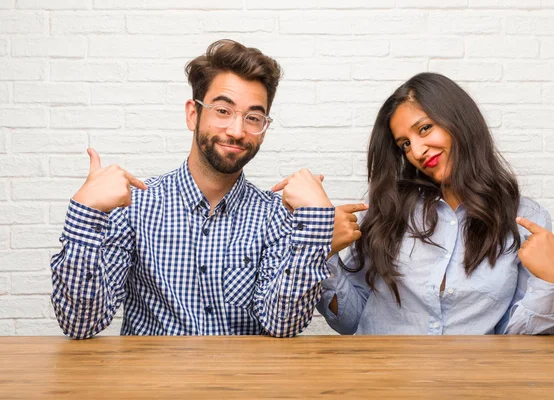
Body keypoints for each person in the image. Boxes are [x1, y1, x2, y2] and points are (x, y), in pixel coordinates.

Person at [50, 39, 345, 339]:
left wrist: (316, 221)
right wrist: (84, 213)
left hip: (243, 383)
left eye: (253, 118)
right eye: (222, 110)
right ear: (193, 114)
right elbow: (79, 324)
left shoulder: (275, 216)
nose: (237, 131)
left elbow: (282, 325)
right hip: (152, 383)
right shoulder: (134, 206)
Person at [317, 72, 554, 335]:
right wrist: (323, 253)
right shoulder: (387, 208)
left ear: (459, 120)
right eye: (405, 144)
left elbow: (517, 345)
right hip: (382, 373)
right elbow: (349, 322)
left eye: (424, 128)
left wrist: (553, 283)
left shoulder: (525, 219)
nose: (416, 152)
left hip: (470, 374)